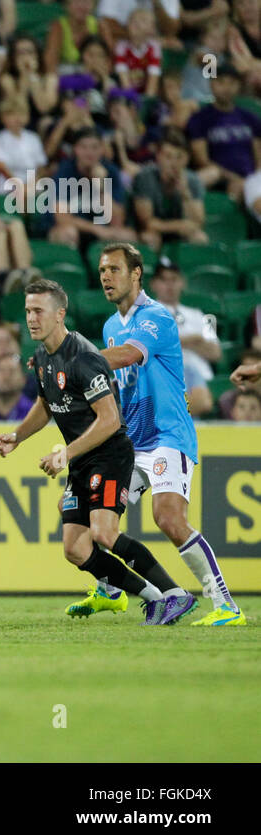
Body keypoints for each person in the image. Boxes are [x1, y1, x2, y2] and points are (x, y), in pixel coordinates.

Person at [0, 279, 188, 624]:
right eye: (27, 311)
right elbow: (46, 404)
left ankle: (176, 593)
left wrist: (65, 454)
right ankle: (151, 596)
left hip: (110, 454)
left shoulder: (83, 357)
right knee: (75, 547)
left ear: (59, 314)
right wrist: (17, 436)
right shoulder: (41, 357)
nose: (31, 319)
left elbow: (110, 420)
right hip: (83, 458)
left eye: (38, 311)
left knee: (103, 532)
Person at [94, 243, 244, 625]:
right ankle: (116, 591)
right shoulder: (111, 326)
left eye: (114, 268)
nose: (106, 276)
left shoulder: (156, 317)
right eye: (102, 271)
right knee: (90, 513)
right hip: (133, 440)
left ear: (136, 274)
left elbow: (128, 356)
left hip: (167, 435)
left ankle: (226, 604)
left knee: (169, 519)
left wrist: (71, 356)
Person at [146, 261, 219, 416]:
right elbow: (152, 346)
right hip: (167, 375)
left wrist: (181, 342)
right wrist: (195, 340)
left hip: (201, 377)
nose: (169, 285)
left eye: (174, 279)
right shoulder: (145, 314)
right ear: (154, 284)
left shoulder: (203, 315)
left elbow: (216, 352)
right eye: (164, 280)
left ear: (182, 282)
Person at [185, 64, 261, 199]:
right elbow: (201, 160)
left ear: (239, 86)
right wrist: (232, 178)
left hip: (251, 179)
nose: (227, 88)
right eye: (221, 82)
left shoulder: (250, 118)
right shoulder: (200, 119)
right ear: (212, 84)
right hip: (220, 179)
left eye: (232, 83)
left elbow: (259, 156)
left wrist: (252, 180)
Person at [130, 129, 208, 247]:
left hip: (178, 232)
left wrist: (185, 194)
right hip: (153, 231)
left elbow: (198, 222)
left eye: (179, 157)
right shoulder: (145, 177)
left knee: (200, 238)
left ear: (186, 159)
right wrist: (179, 225)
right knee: (150, 238)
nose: (173, 163)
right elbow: (147, 223)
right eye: (168, 156)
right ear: (158, 157)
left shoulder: (192, 180)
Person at [44, 0, 102, 74]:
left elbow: (109, 58)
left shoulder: (99, 25)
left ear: (93, 5)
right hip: (65, 77)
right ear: (67, 5)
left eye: (86, 0)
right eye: (76, 0)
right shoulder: (58, 26)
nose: (81, 5)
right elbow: (50, 61)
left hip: (94, 76)